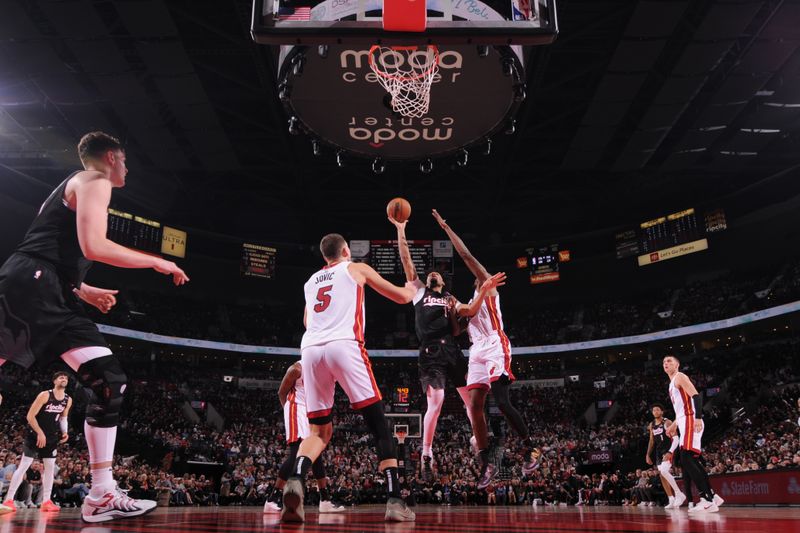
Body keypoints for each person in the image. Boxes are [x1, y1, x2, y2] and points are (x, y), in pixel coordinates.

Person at [0, 131, 189, 522]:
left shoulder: (75, 187)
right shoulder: (94, 180)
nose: (127, 167)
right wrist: (157, 261)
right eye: (124, 159)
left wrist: (83, 290)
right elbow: (93, 246)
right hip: (31, 285)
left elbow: (57, 248)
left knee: (110, 381)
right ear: (110, 156)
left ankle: (100, 493)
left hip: (51, 288)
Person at [281, 233, 418, 523]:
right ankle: (395, 500)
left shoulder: (309, 283)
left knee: (319, 432)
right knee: (380, 424)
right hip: (344, 345)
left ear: (324, 257)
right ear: (346, 251)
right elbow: (403, 297)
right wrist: (412, 286)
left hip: (310, 350)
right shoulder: (356, 268)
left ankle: (296, 479)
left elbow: (309, 321)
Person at [389, 215, 506, 489]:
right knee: (437, 400)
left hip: (453, 352)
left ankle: (479, 442)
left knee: (472, 403)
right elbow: (407, 260)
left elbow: (469, 311)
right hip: (430, 353)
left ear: (442, 281)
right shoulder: (418, 291)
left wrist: (484, 291)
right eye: (430, 274)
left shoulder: (450, 299)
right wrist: (401, 229)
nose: (432, 274)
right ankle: (426, 453)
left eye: (436, 274)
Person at [431, 209, 540, 479]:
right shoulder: (470, 301)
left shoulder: (489, 287)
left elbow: (466, 256)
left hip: (494, 344)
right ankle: (486, 459)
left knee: (501, 402)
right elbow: (457, 328)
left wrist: (447, 228)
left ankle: (531, 448)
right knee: (474, 405)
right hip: (476, 349)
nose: (480, 275)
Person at [264, 361, 344, 514]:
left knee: (315, 453)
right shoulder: (297, 369)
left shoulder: (324, 370)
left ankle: (325, 500)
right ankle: (272, 499)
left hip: (310, 412)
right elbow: (282, 392)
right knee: (296, 454)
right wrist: (289, 411)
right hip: (296, 408)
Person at [3, 372, 72, 513]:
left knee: (50, 469)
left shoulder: (67, 399)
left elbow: (63, 418)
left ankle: (46, 501)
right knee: (24, 466)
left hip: (51, 437)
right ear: (54, 381)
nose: (64, 379)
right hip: (35, 435)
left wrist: (64, 432)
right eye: (61, 377)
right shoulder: (45, 395)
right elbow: (30, 416)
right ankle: (9, 500)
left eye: (66, 378)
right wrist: (40, 432)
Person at [663, 355, 724, 513]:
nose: (666, 363)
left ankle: (706, 500)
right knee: (690, 460)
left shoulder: (680, 376)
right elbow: (681, 410)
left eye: (669, 361)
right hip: (684, 421)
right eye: (664, 362)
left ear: (677, 364)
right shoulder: (671, 384)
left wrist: (697, 417)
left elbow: (696, 396)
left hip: (691, 420)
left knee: (686, 458)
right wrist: (673, 425)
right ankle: (712, 496)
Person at [645, 403, 685, 508]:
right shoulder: (651, 424)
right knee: (662, 475)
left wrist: (670, 452)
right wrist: (648, 454)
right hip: (659, 452)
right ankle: (671, 498)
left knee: (663, 471)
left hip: (669, 449)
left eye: (658, 410)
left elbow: (676, 438)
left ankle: (679, 493)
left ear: (662, 412)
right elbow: (651, 441)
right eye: (654, 410)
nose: (656, 412)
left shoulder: (667, 422)